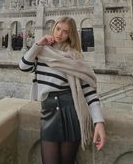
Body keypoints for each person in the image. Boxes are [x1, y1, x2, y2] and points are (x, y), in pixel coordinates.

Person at [19, 16, 106, 164]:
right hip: (49, 112)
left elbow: (89, 92)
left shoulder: (74, 57)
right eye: (58, 29)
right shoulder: (41, 53)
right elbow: (23, 66)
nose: (60, 34)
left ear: (70, 35)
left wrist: (99, 122)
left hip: (70, 113)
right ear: (53, 28)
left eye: (65, 31)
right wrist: (38, 44)